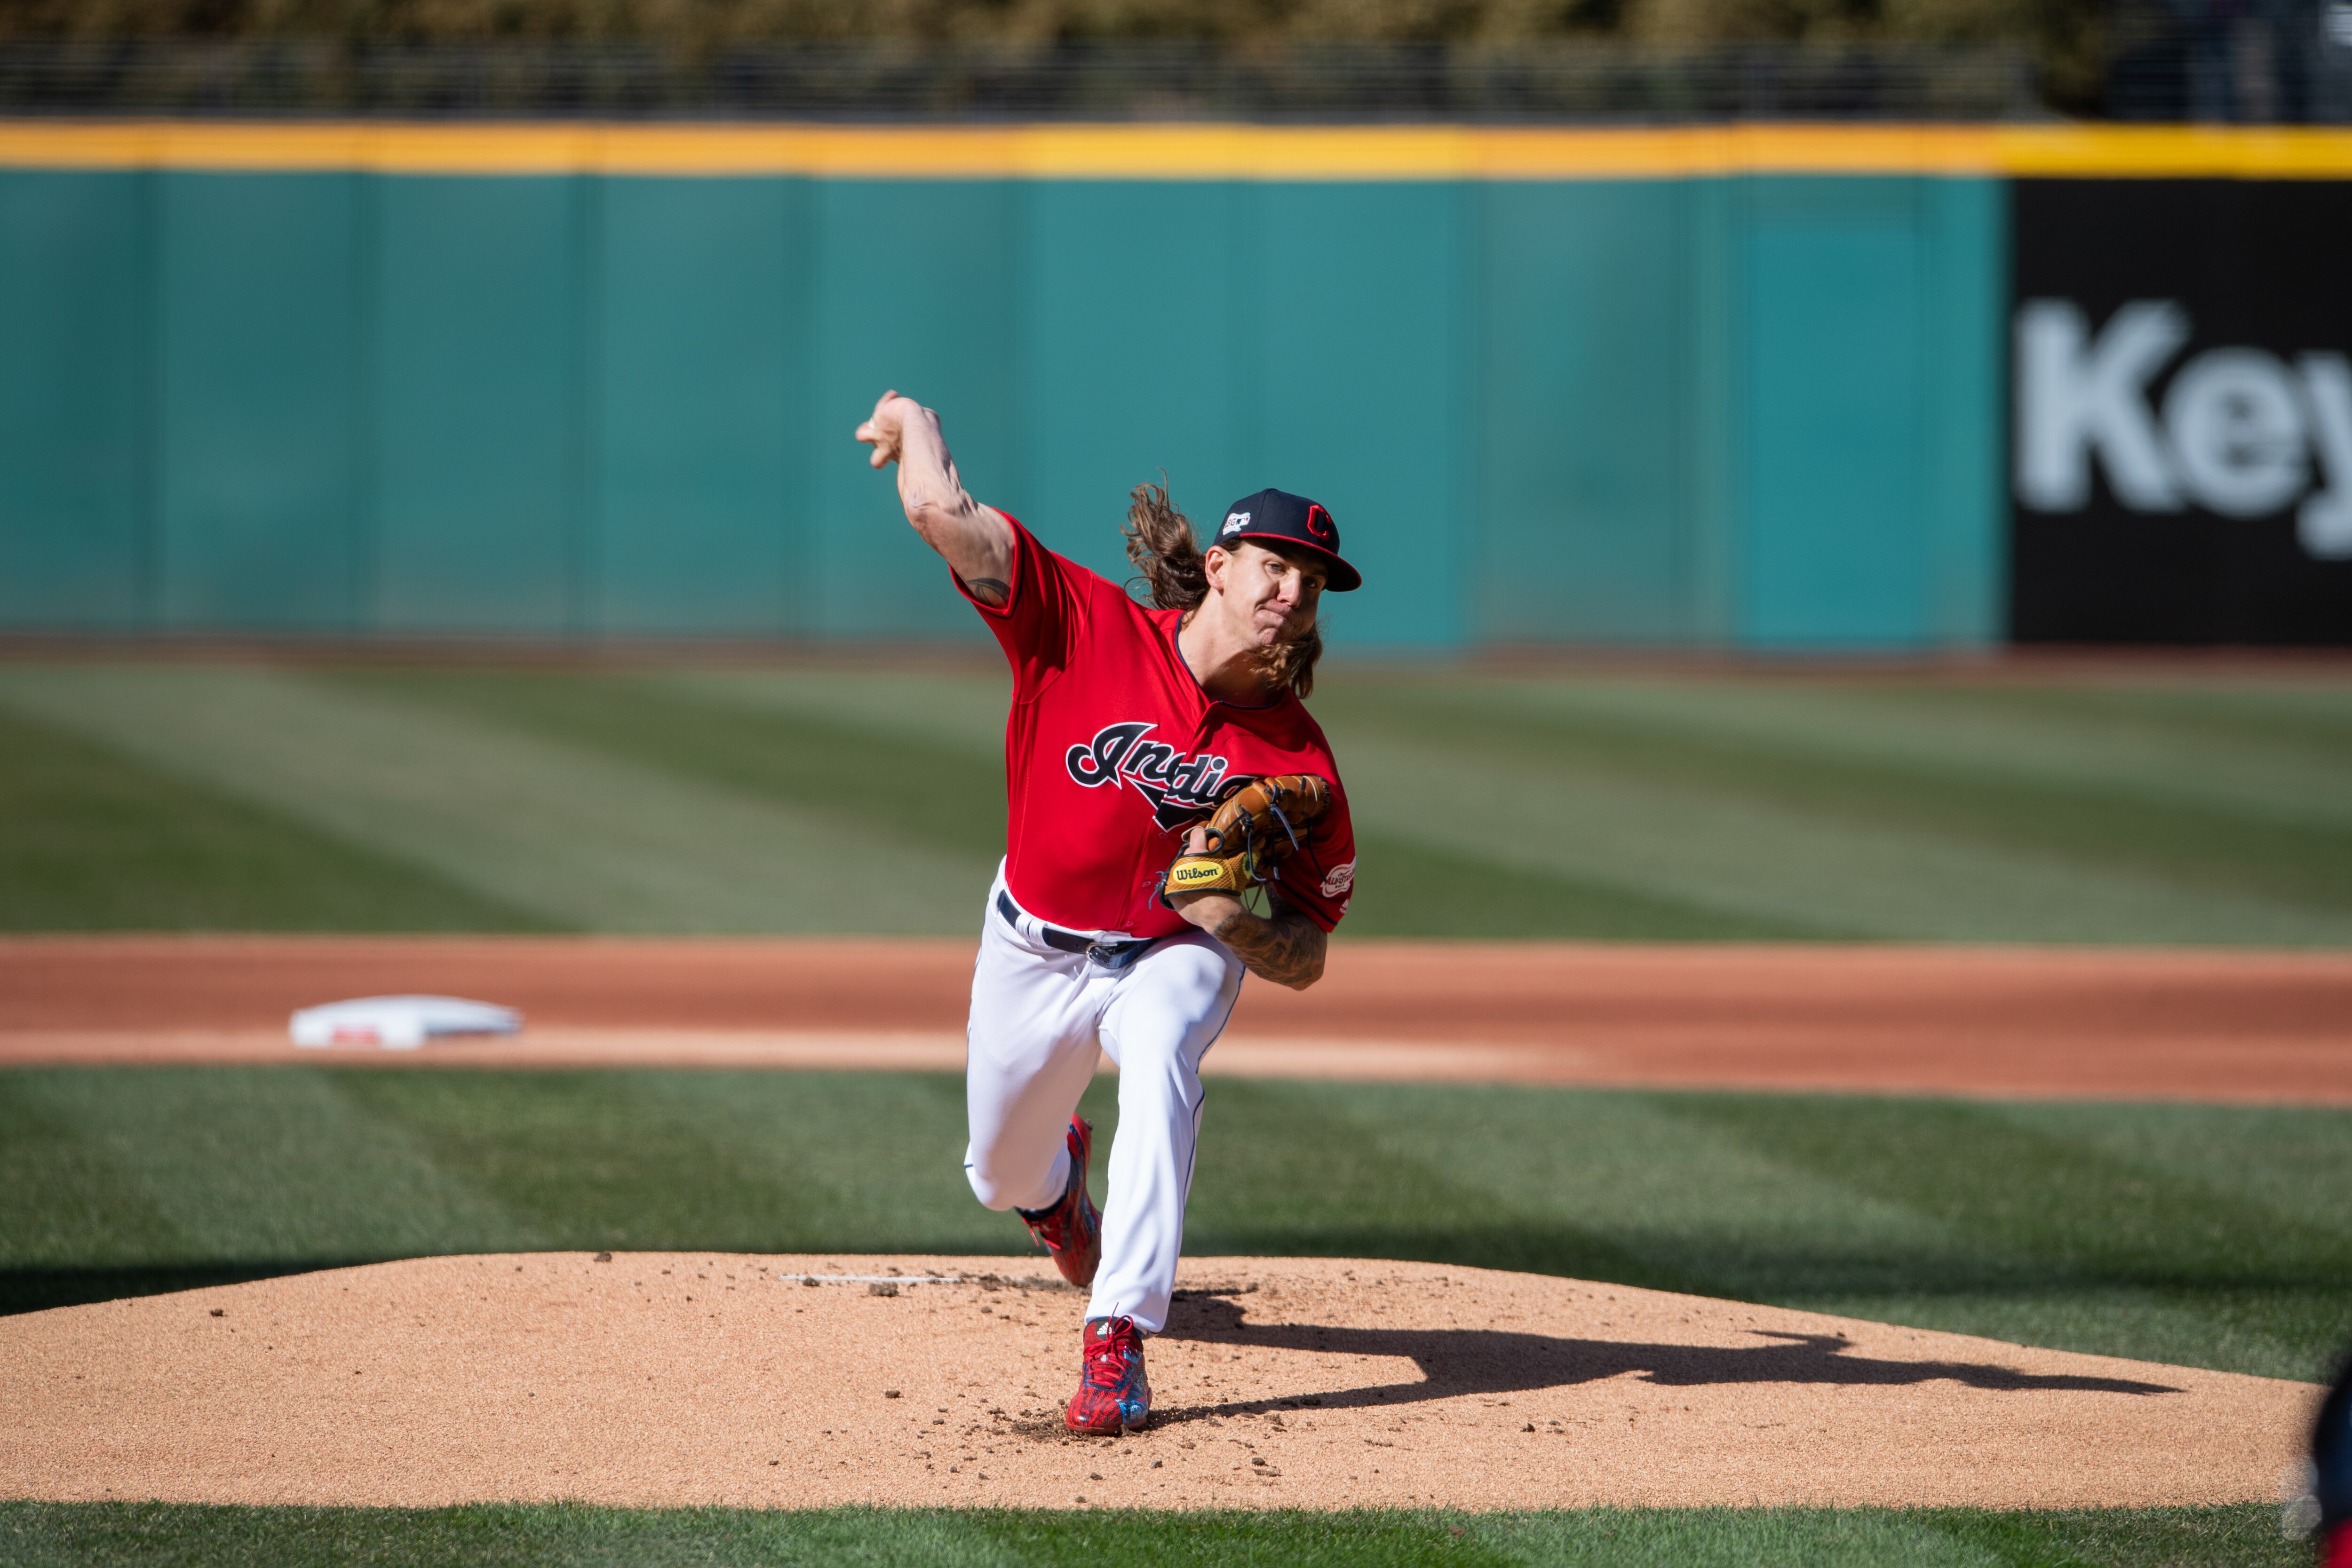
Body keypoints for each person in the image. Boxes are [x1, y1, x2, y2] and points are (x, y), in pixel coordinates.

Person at [854, 389, 1361, 1436]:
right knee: (996, 1172)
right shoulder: (1078, 621)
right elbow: (941, 517)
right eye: (1275, 563)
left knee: (1165, 1045)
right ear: (1218, 566)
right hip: (1030, 944)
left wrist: (1235, 926)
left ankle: (1116, 1340)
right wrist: (914, 420)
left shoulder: (1301, 758)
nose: (1293, 588)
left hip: (1171, 951)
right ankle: (1054, 1193)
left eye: (1310, 580)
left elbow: (1308, 953)